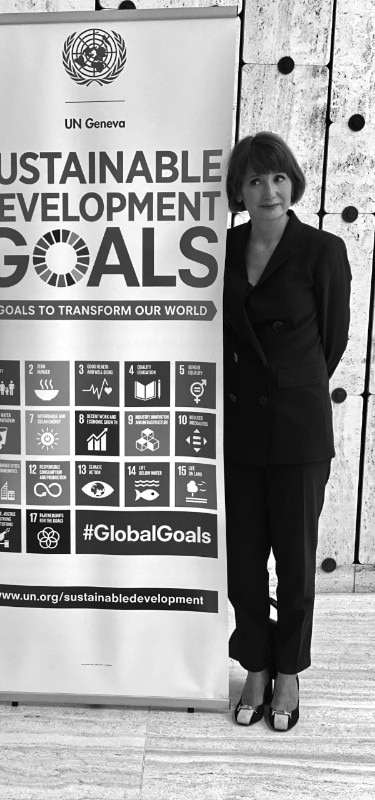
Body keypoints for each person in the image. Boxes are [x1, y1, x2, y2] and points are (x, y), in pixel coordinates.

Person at [223, 132, 351, 731]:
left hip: (298, 428)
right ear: (239, 190)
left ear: (293, 182)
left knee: (296, 561)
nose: (268, 190)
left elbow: (332, 341)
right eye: (254, 180)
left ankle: (290, 670)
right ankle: (255, 664)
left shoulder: (323, 249)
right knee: (244, 560)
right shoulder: (222, 247)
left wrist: (290, 385)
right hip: (238, 425)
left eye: (277, 177)